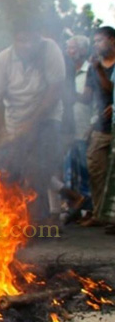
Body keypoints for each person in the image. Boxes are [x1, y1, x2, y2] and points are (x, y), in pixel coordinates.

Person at [0, 17, 66, 222]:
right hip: (14, 122)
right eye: (22, 40)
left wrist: (32, 123)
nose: (28, 45)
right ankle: (7, 222)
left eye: (32, 40)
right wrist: (2, 130)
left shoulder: (50, 50)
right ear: (14, 40)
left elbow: (55, 91)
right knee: (4, 173)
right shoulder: (2, 60)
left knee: (37, 172)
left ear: (39, 38)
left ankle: (38, 223)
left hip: (47, 119)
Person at [62, 35, 93, 221]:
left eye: (72, 48)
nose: (69, 51)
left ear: (83, 50)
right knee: (68, 170)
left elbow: (91, 99)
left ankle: (88, 210)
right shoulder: (65, 71)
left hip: (84, 127)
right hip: (67, 128)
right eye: (68, 48)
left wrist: (70, 94)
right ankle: (72, 207)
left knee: (84, 170)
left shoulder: (91, 71)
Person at [93, 26, 115, 234]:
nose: (96, 45)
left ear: (112, 39)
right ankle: (102, 215)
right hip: (103, 124)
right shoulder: (97, 65)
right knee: (100, 169)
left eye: (99, 40)